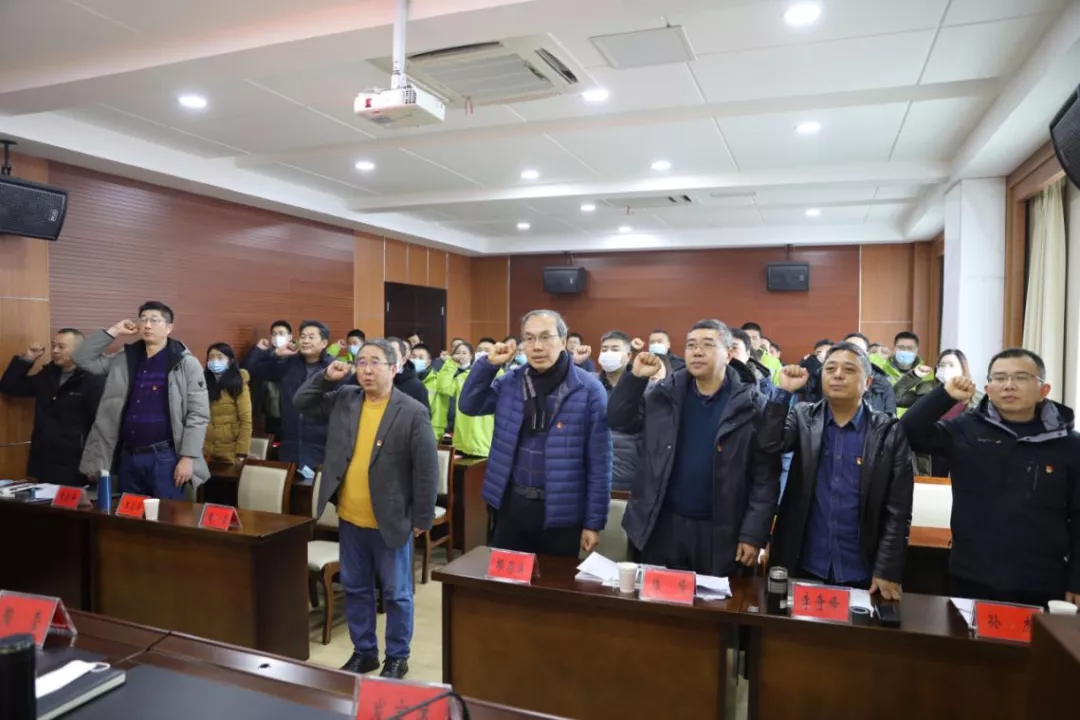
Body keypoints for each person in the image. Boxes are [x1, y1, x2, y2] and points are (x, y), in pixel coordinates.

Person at [294, 339, 438, 679]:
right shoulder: (345, 398)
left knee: (397, 594)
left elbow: (426, 470)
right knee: (356, 588)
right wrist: (325, 377)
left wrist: (422, 517)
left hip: (391, 519)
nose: (367, 370)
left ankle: (397, 657)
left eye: (375, 363)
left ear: (394, 368)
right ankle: (364, 651)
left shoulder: (412, 411)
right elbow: (302, 402)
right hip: (350, 516)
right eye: (361, 363)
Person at [901, 348, 1080, 607]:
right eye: (999, 378)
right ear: (987, 388)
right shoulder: (964, 429)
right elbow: (907, 432)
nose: (1008, 385)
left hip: (1044, 579)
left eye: (1020, 377)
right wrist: (944, 396)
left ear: (1043, 389)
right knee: (969, 635)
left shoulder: (1069, 444)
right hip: (972, 573)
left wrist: (1076, 580)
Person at [609, 320, 779, 576]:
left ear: (729, 354)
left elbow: (765, 476)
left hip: (720, 531)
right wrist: (635, 378)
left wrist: (753, 533)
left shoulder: (753, 405)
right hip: (660, 525)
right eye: (691, 345)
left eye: (707, 345)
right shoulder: (663, 395)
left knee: (715, 599)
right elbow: (618, 420)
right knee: (656, 598)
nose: (697, 352)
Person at [765, 343, 914, 598]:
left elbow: (898, 510)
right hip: (804, 561)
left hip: (862, 568)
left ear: (867, 382)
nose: (837, 375)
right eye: (830, 368)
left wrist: (887, 568)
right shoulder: (804, 417)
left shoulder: (888, 431)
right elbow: (769, 444)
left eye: (849, 370)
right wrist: (783, 392)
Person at [458, 310, 611, 556]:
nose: (537, 346)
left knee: (553, 580)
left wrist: (593, 523)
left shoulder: (589, 389)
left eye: (545, 337)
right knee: (506, 576)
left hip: (562, 511)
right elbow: (469, 405)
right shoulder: (511, 382)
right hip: (511, 504)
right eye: (529, 338)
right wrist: (488, 365)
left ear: (563, 341)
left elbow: (600, 462)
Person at [75, 302, 210, 499]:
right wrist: (114, 331)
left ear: (169, 327)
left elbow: (198, 414)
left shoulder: (185, 363)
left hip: (166, 457)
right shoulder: (125, 357)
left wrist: (188, 457)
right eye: (143, 319)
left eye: (154, 320)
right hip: (129, 454)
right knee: (129, 512)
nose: (147, 325)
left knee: (166, 514)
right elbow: (82, 359)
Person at [0, 330, 105, 486]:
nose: (55, 351)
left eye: (61, 347)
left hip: (75, 462)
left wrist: (96, 461)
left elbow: (101, 424)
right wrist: (27, 359)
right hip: (44, 458)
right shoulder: (47, 375)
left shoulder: (93, 379)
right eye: (53, 346)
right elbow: (10, 387)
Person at [246, 320, 336, 473]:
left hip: (321, 448)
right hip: (290, 446)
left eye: (311, 337)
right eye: (303, 336)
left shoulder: (334, 368)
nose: (305, 341)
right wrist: (275, 354)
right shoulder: (289, 364)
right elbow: (251, 370)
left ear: (324, 343)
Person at [894, 349, 983, 474]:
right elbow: (896, 397)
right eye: (942, 365)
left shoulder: (978, 399)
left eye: (951, 365)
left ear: (963, 369)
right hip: (926, 460)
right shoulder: (926, 391)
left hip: (958, 463)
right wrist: (914, 376)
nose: (946, 369)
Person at [597, 331, 640, 493]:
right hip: (593, 473)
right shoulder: (589, 386)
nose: (608, 353)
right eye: (604, 349)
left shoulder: (643, 388)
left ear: (628, 355)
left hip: (627, 477)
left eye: (615, 349)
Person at [435, 341, 493, 457]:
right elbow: (443, 388)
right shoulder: (464, 376)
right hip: (462, 442)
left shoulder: (500, 377)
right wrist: (451, 363)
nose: (482, 353)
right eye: (480, 350)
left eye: (487, 350)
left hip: (486, 444)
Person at [202, 343, 252, 464]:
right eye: (211, 357)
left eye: (220, 357)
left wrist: (242, 452)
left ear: (230, 361)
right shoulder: (203, 383)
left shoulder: (239, 384)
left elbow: (246, 422)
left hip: (231, 451)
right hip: (207, 451)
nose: (215, 361)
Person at [244, 320, 292, 438]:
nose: (277, 337)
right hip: (271, 410)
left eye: (281, 333)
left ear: (290, 337)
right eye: (274, 334)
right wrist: (258, 349)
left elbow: (280, 372)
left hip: (291, 410)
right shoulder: (267, 354)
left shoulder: (295, 356)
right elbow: (247, 370)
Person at [409, 343, 446, 439]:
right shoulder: (403, 380)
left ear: (428, 362)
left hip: (428, 433)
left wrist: (433, 436)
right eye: (413, 357)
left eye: (421, 358)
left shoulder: (437, 381)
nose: (416, 360)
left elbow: (439, 413)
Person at [386, 337, 430, 411]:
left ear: (403, 360)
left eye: (393, 355)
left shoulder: (416, 386)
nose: (388, 359)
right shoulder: (374, 381)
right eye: (385, 355)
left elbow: (423, 415)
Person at [729, 327, 773, 394]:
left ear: (747, 354)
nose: (728, 353)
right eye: (724, 348)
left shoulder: (762, 384)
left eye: (734, 348)